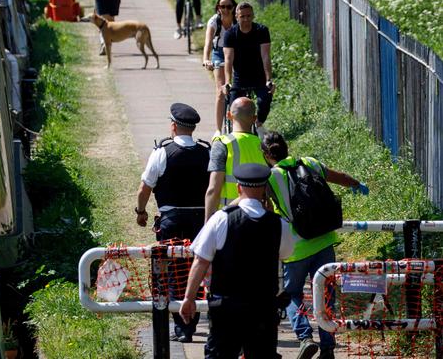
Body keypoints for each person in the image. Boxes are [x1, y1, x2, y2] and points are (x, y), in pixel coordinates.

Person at [261, 131, 369, 359]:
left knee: (292, 294)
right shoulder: (309, 162)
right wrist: (357, 184)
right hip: (324, 241)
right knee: (327, 293)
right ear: (287, 147)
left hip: (296, 247)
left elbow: (267, 211)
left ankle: (305, 337)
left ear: (265, 154)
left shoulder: (270, 177)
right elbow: (338, 177)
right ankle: (328, 347)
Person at [179, 163, 295, 358]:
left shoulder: (221, 219)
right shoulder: (278, 224)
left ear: (239, 188)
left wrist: (189, 298)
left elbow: (201, 261)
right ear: (265, 188)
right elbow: (286, 253)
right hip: (263, 308)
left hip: (226, 309)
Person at [135, 102, 210, 343]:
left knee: (172, 272)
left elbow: (145, 187)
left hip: (172, 221)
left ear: (173, 126)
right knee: (195, 269)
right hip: (200, 220)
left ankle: (182, 326)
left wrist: (141, 211)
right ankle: (190, 321)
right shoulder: (206, 152)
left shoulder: (162, 153)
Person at [204, 97, 267, 221]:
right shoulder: (263, 146)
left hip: (229, 217)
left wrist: (208, 223)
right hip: (260, 216)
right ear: (254, 119)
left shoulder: (223, 143)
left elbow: (213, 189)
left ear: (228, 115)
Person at [219, 1, 274, 136]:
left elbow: (266, 56)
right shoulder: (231, 34)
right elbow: (228, 59)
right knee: (234, 107)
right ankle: (236, 132)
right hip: (239, 77)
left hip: (258, 75)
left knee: (264, 100)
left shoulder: (261, 31)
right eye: (242, 16)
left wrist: (269, 79)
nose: (246, 19)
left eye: (249, 16)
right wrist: (227, 81)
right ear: (236, 17)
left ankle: (259, 123)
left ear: (253, 16)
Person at [202, 0, 237, 134]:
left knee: (239, 88)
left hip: (236, 52)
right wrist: (206, 59)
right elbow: (208, 43)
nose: (226, 10)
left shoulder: (237, 21)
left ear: (233, 8)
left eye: (229, 7)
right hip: (219, 53)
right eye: (222, 7)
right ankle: (218, 129)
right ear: (218, 8)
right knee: (220, 92)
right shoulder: (214, 22)